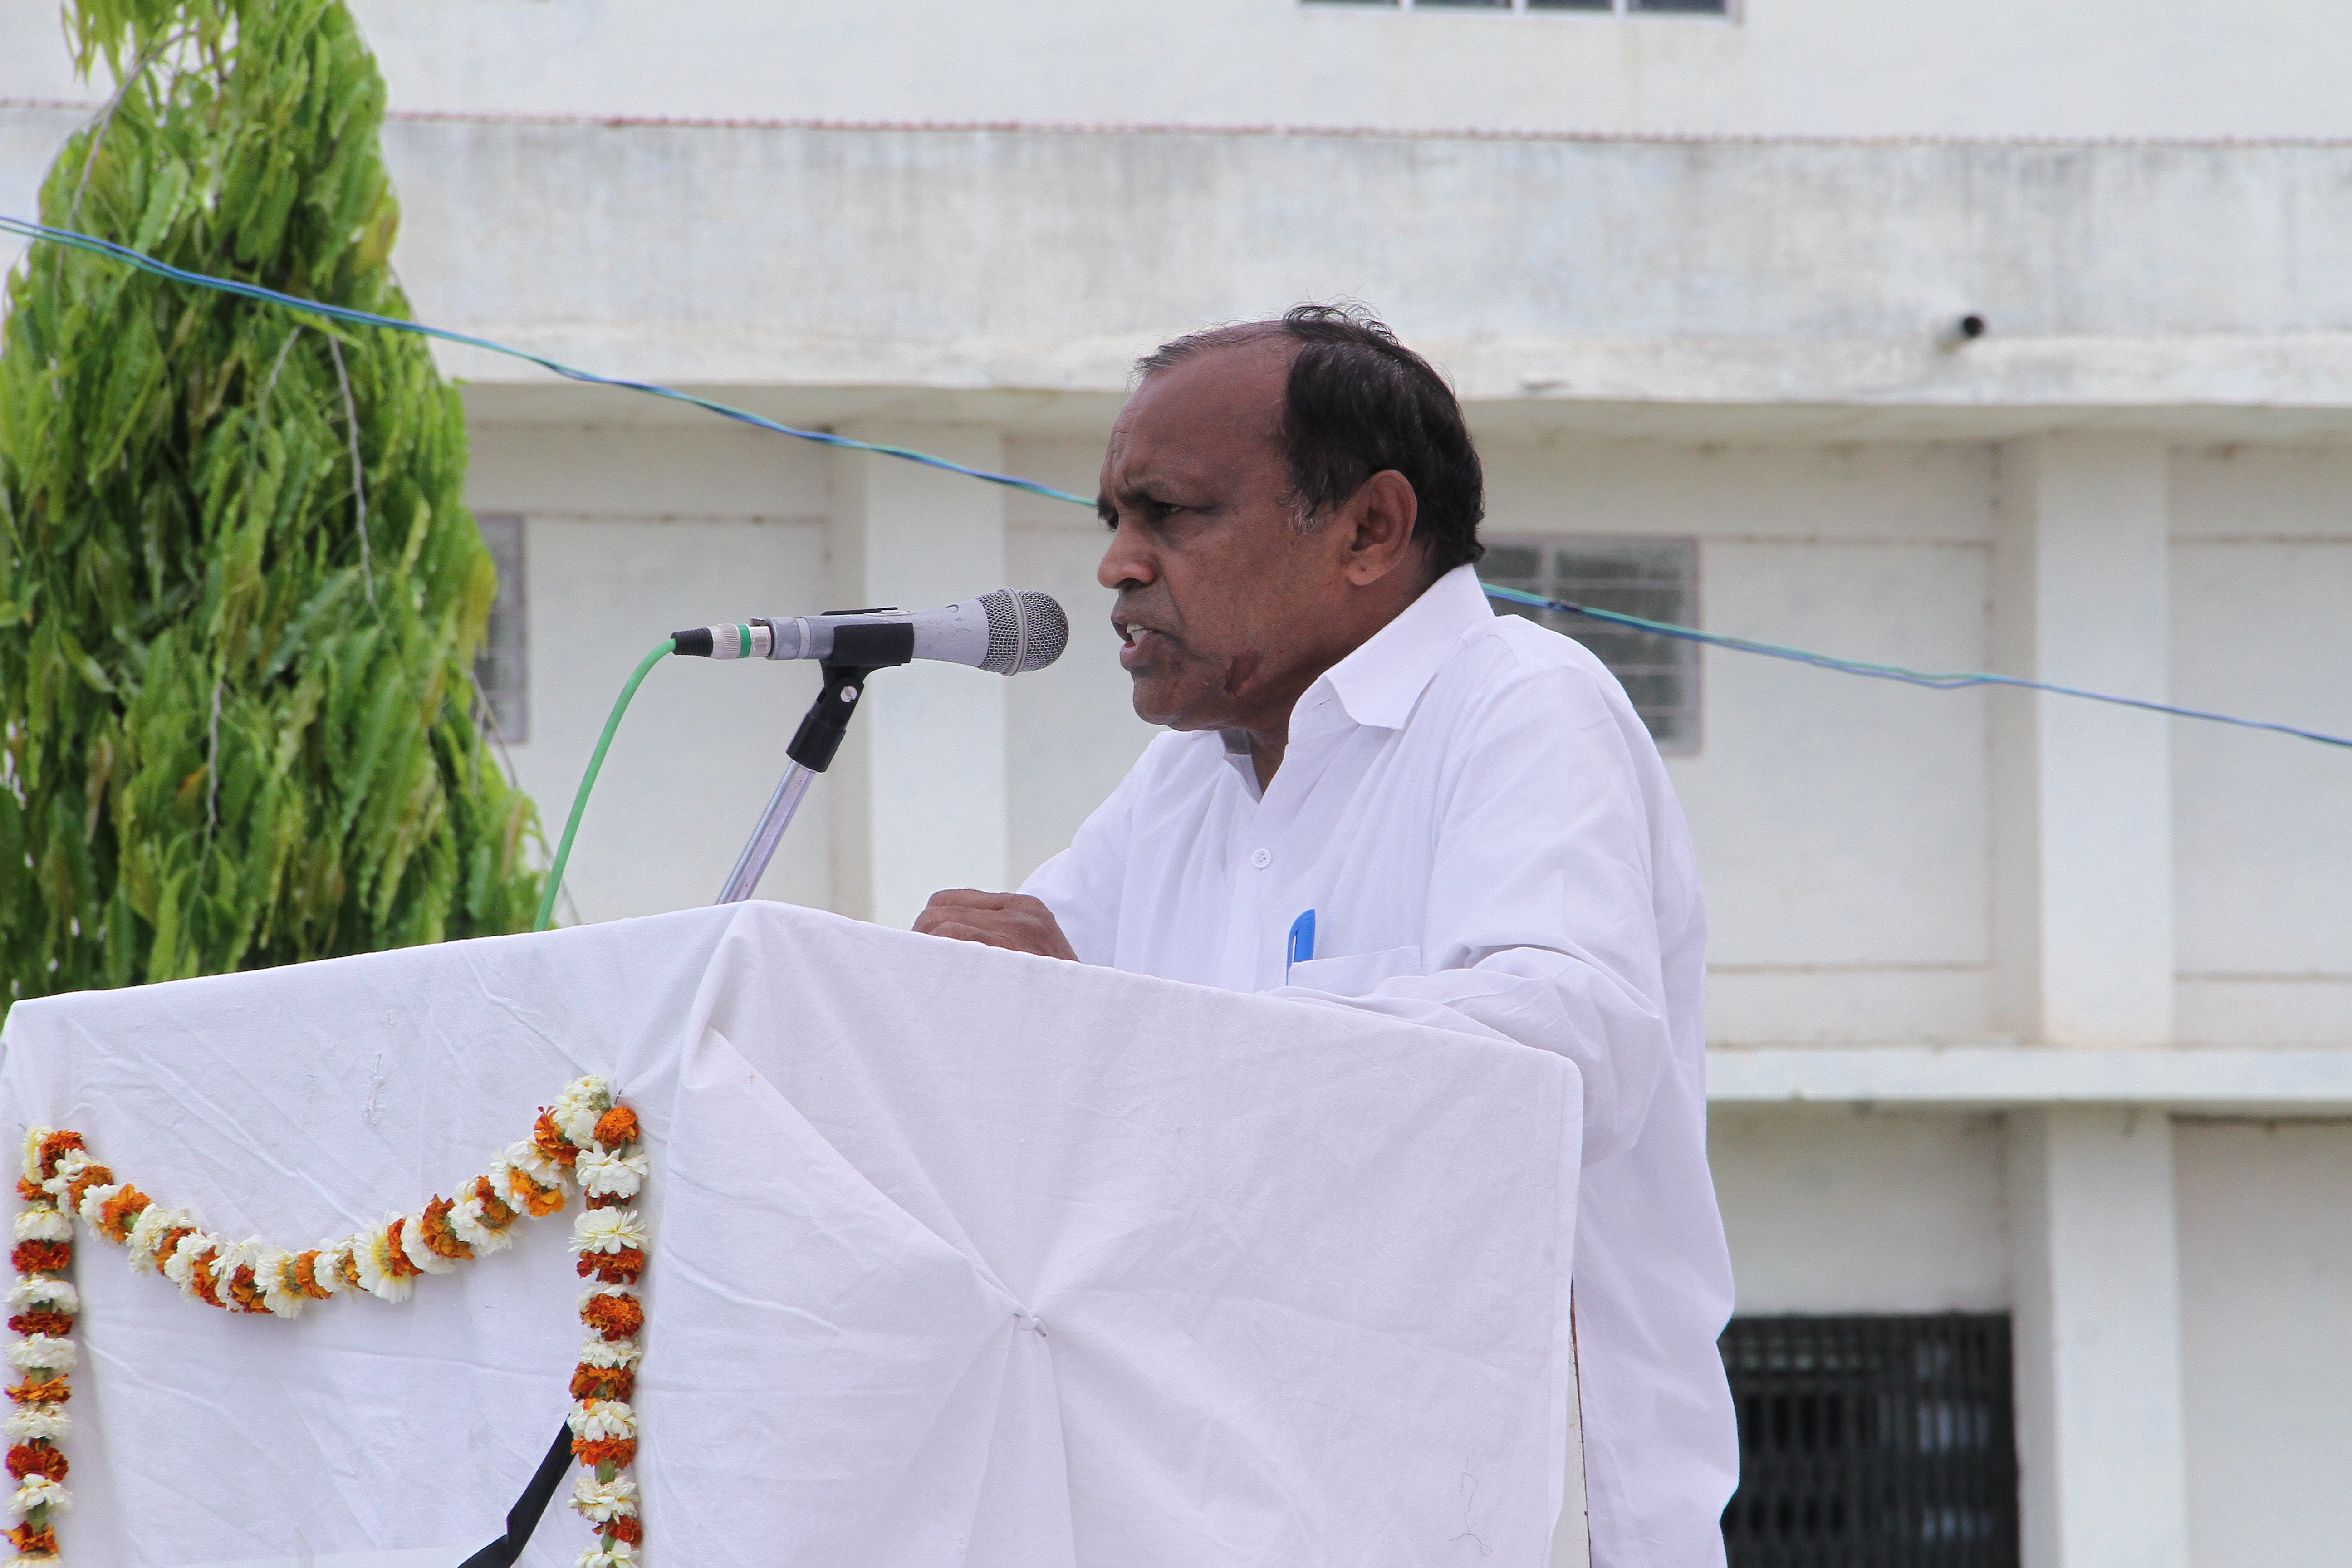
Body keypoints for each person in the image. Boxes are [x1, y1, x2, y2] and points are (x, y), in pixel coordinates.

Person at [915, 304, 1738, 1567]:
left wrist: (1131, 1024)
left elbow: (1568, 1049)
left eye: (1171, 514)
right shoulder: (1191, 779)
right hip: (1237, 1503)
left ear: (1369, 530)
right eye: (1115, 523)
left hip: (1515, 1514)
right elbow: (1040, 1044)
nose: (1118, 567)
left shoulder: (1522, 704)